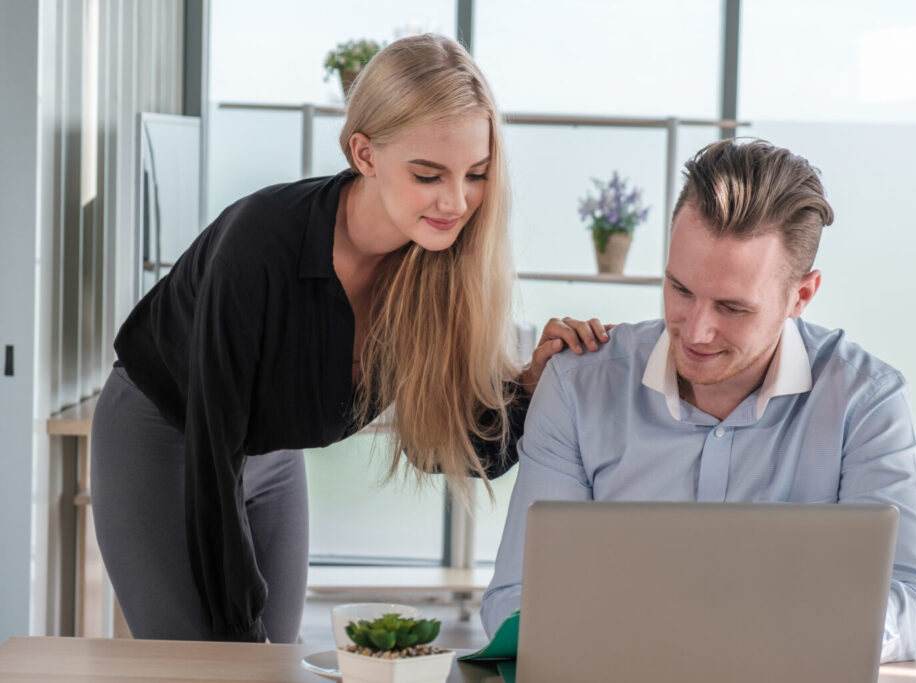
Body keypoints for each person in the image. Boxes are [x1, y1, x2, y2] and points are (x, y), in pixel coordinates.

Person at [90, 33, 608, 644]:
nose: (457, 201)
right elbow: (213, 452)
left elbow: (446, 445)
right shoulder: (258, 246)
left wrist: (531, 383)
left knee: (272, 660)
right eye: (427, 174)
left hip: (269, 453)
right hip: (168, 438)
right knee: (215, 660)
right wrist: (239, 629)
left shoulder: (433, 268)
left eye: (476, 174)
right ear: (364, 154)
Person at [481, 138, 916, 662]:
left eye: (732, 307)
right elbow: (514, 601)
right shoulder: (577, 386)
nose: (697, 331)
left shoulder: (866, 403)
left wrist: (799, 626)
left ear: (801, 295)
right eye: (680, 290)